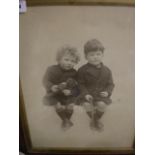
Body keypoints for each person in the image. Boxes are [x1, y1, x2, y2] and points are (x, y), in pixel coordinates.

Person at [77, 39, 115, 131]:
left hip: (99, 96)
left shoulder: (107, 70)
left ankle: (95, 120)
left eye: (98, 54)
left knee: (102, 105)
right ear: (86, 56)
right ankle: (95, 121)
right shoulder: (82, 70)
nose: (95, 57)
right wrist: (85, 94)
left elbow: (110, 84)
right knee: (86, 105)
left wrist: (107, 92)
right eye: (92, 55)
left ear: (102, 55)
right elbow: (80, 84)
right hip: (87, 96)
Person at [43, 45, 80, 130]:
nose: (69, 63)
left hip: (67, 96)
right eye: (66, 59)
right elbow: (45, 81)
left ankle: (66, 121)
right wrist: (52, 86)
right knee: (58, 105)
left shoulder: (74, 73)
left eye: (73, 61)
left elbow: (77, 87)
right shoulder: (51, 69)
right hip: (54, 95)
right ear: (59, 59)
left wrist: (71, 92)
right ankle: (65, 120)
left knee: (70, 105)